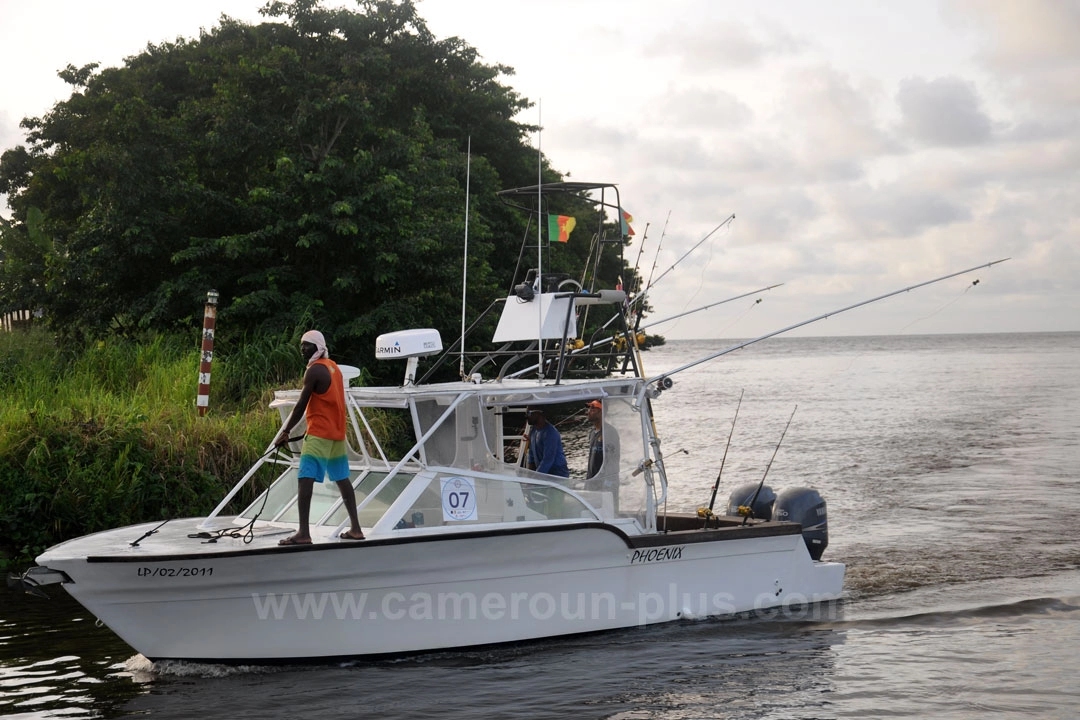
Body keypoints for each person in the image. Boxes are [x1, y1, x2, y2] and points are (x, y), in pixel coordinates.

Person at [274, 330, 364, 545]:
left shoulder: (314, 371)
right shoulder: (334, 368)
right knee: (342, 479)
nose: (302, 348)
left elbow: (300, 405)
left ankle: (303, 533)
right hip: (336, 434)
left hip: (319, 434)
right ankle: (356, 529)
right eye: (302, 344)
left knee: (305, 478)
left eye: (307, 345)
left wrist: (285, 432)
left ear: (318, 347)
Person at [584, 400, 620, 498]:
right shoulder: (592, 433)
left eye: (593, 409)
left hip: (606, 484)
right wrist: (588, 482)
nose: (589, 411)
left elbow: (613, 460)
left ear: (601, 412)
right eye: (589, 408)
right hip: (592, 482)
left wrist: (608, 483)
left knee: (608, 510)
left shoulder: (610, 432)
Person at [525, 407, 569, 478]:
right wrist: (528, 478)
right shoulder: (533, 431)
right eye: (526, 413)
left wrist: (534, 480)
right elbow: (531, 457)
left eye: (529, 413)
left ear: (539, 414)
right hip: (543, 474)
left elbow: (547, 460)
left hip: (558, 475)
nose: (526, 416)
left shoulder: (551, 433)